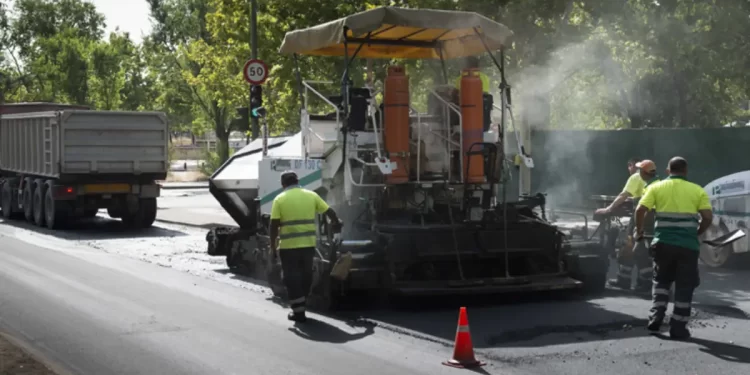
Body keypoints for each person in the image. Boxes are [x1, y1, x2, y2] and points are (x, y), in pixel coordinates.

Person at [634, 157, 712, 339]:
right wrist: (697, 233)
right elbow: (707, 217)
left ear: (668, 171)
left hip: (663, 244)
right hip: (688, 247)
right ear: (686, 171)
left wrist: (639, 231)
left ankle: (655, 319)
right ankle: (678, 328)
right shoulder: (697, 190)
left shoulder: (656, 187)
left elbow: (640, 210)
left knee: (661, 282)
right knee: (685, 286)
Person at [269, 171, 342, 322]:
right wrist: (336, 225)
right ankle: (303, 301)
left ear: (283, 184)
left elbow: (273, 225)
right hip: (308, 245)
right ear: (298, 181)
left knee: (291, 278)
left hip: (288, 247)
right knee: (305, 275)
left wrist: (272, 246)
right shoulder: (311, 195)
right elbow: (330, 212)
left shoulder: (279, 199)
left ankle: (298, 312)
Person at [611, 160, 660, 292]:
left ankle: (641, 282)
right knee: (637, 248)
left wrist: (609, 209)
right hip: (652, 219)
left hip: (643, 218)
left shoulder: (638, 179)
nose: (637, 172)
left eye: (639, 169)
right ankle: (637, 281)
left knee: (635, 248)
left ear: (644, 173)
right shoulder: (658, 183)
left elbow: (625, 196)